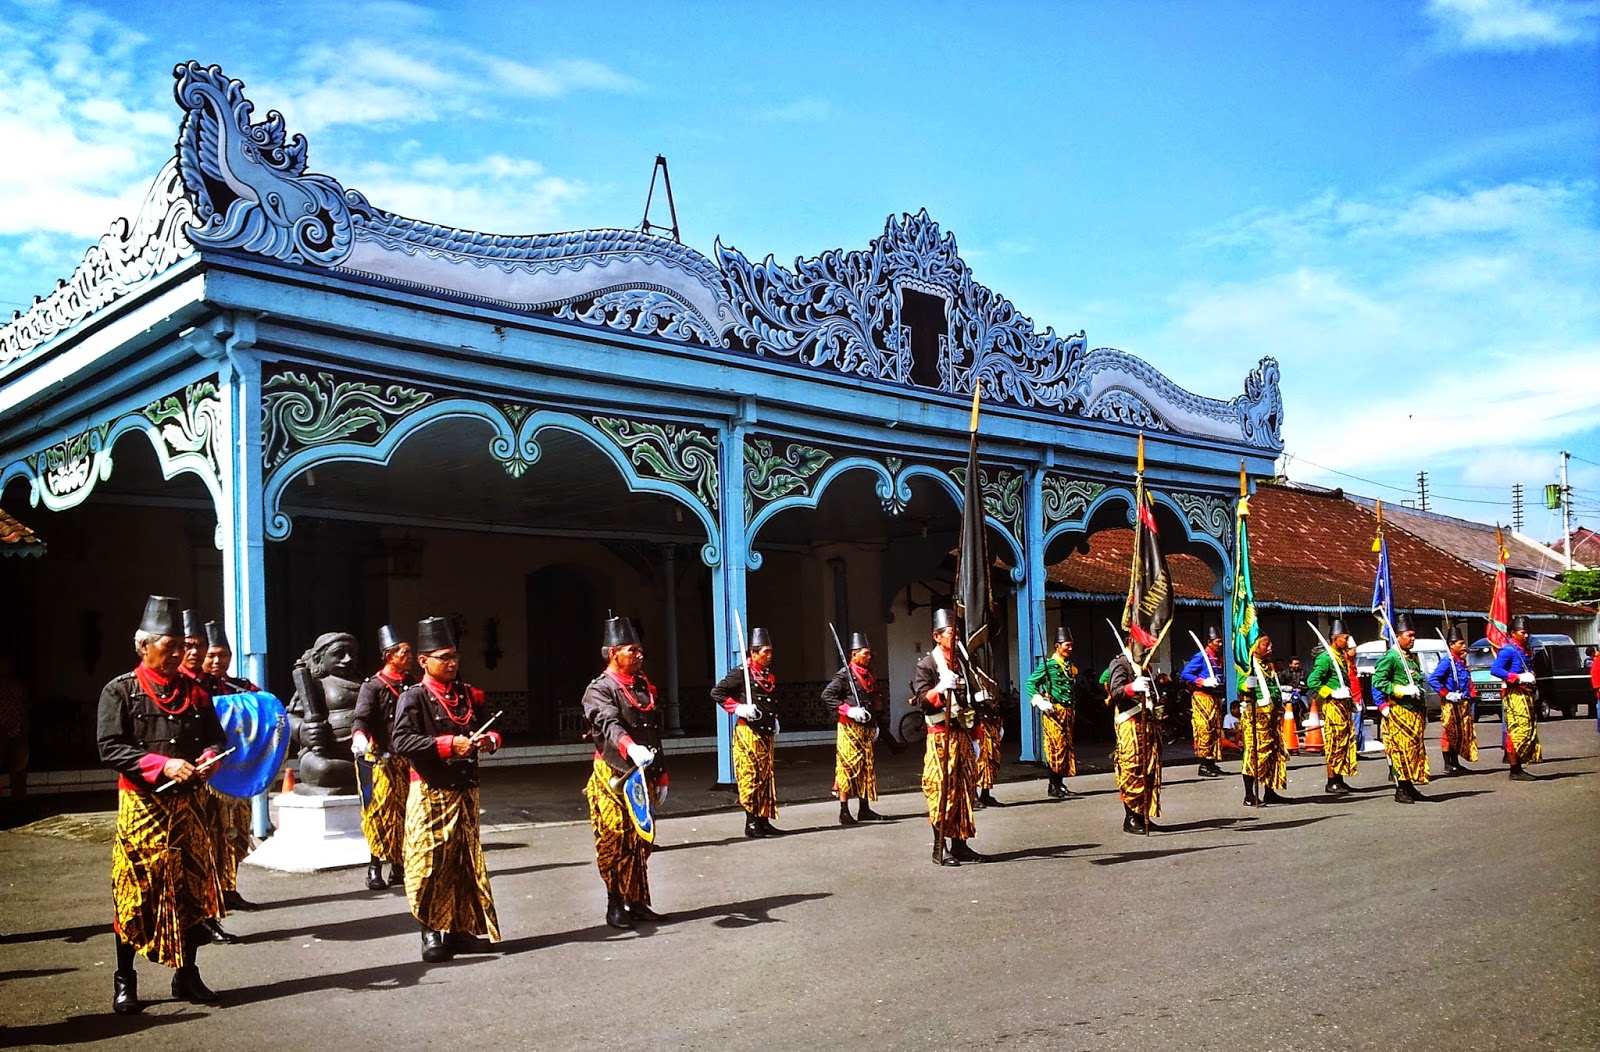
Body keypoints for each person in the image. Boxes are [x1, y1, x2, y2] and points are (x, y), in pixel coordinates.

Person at [97, 596, 229, 1013]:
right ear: (143, 647)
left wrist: (209, 758)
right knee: (134, 892)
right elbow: (110, 748)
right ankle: (125, 979)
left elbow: (216, 737)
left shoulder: (196, 692)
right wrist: (163, 764)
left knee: (191, 891)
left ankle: (187, 974)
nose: (176, 654)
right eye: (167, 647)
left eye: (180, 647)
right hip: (142, 807)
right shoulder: (119, 690)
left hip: (189, 808)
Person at [391, 616, 501, 962]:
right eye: (443, 657)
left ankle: (460, 930)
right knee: (428, 863)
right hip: (431, 792)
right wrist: (448, 745)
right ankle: (430, 931)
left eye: (454, 656)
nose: (452, 663)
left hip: (466, 792)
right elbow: (401, 740)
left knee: (464, 862)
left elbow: (497, 730)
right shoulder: (414, 698)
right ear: (424, 661)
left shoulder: (467, 694)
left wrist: (489, 741)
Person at [581, 616, 668, 929]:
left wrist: (662, 774)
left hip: (644, 773)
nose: (639, 655)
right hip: (614, 773)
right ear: (612, 653)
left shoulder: (644, 684)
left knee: (641, 840)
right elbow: (608, 722)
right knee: (615, 838)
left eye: (640, 649)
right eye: (632, 650)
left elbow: (654, 731)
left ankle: (637, 899)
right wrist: (629, 747)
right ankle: (615, 902)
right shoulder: (599, 689)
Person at [911, 609, 985, 865]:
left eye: (957, 634)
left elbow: (969, 702)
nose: (955, 639)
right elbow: (923, 701)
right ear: (937, 636)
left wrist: (975, 737)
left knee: (964, 790)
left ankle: (960, 843)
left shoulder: (962, 662)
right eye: (951, 634)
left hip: (962, 734)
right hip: (941, 737)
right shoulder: (928, 665)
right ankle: (939, 846)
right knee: (941, 791)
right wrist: (940, 689)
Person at [198, 621, 259, 915]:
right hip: (211, 779)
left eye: (222, 655)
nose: (216, 661)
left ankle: (229, 887)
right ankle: (210, 901)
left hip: (240, 774)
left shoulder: (243, 689)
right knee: (214, 840)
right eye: (211, 655)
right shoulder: (195, 692)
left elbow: (265, 712)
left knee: (239, 835)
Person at [351, 624, 415, 891]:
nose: (410, 657)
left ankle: (399, 866)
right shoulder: (373, 687)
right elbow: (361, 718)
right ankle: (374, 866)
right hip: (380, 759)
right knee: (378, 813)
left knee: (406, 812)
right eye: (405, 652)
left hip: (408, 758)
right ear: (390, 656)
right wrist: (359, 737)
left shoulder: (413, 684)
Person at [711, 627, 783, 838]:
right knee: (750, 777)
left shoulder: (767, 675)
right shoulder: (741, 673)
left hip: (766, 732)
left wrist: (774, 719)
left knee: (765, 777)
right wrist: (739, 708)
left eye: (770, 651)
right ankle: (751, 822)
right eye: (765, 652)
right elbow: (717, 692)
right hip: (748, 732)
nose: (769, 656)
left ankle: (764, 820)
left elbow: (770, 702)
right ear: (753, 653)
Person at [821, 631, 885, 825]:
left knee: (866, 767)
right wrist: (848, 710)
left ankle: (864, 808)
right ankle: (844, 810)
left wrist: (875, 724)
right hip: (849, 728)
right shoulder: (844, 675)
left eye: (869, 654)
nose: (868, 657)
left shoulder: (869, 674)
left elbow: (873, 700)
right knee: (847, 768)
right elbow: (827, 696)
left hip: (865, 728)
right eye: (864, 653)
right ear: (854, 654)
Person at [1373, 615, 1430, 802]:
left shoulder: (1411, 657)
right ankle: (1401, 789)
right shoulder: (1391, 657)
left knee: (1414, 750)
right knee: (1400, 751)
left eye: (1414, 635)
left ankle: (1409, 785)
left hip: (1415, 712)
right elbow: (1378, 681)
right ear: (1398, 636)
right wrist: (1401, 690)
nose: (1413, 638)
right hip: (1400, 711)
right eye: (1409, 635)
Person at [1106, 643, 1161, 833]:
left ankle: (1142, 815)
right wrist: (1132, 687)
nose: (1147, 651)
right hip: (1129, 722)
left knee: (1148, 770)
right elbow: (1116, 692)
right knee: (1131, 769)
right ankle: (1130, 818)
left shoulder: (1144, 666)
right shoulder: (1120, 663)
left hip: (1148, 723)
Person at [1027, 626, 1082, 798]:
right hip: (1054, 712)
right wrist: (1039, 700)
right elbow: (1030, 683)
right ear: (1057, 646)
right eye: (1067, 645)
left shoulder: (1069, 665)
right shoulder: (1049, 665)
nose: (1070, 649)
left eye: (1072, 645)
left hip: (1067, 712)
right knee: (1055, 747)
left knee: (1065, 748)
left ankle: (1060, 784)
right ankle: (1053, 785)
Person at [1306, 619, 1359, 794]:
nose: (1348, 641)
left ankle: (1340, 778)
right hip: (1333, 705)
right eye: (1345, 638)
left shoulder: (1340, 657)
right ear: (1335, 639)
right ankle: (1331, 781)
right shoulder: (1326, 658)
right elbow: (1313, 680)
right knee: (1334, 742)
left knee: (1344, 742)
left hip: (1344, 705)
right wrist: (1331, 692)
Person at [1237, 635, 1290, 807]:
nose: (1270, 647)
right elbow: (1240, 686)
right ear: (1255, 647)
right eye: (1266, 644)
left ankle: (1270, 791)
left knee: (1273, 753)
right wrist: (1247, 685)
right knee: (1254, 753)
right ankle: (1249, 795)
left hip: (1272, 716)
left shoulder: (1269, 665)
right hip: (1256, 717)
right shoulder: (1248, 666)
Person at [1490, 614, 1543, 780]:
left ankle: (1519, 766)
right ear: (1513, 633)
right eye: (1522, 632)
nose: (1526, 635)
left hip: (1527, 693)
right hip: (1515, 694)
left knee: (1528, 730)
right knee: (1518, 730)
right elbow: (1495, 670)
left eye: (1528, 632)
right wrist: (1517, 677)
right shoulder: (1508, 650)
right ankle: (1515, 769)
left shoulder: (1526, 650)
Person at [1428, 626, 1477, 775]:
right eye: (1460, 643)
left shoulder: (1459, 661)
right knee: (1449, 732)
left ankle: (1456, 762)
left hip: (1462, 702)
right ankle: (1448, 764)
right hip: (1451, 703)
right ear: (1451, 645)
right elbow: (1433, 679)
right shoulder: (1447, 661)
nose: (1464, 646)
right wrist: (1447, 694)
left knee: (1459, 733)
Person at [1178, 627, 1227, 778]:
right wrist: (1202, 681)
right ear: (1209, 642)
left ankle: (1211, 763)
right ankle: (1203, 765)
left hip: (1215, 698)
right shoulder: (1201, 656)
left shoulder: (1218, 657)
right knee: (1204, 729)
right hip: (1202, 698)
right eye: (1218, 642)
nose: (1220, 644)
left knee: (1215, 731)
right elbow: (1185, 674)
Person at [0, 653, 30, 805]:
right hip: (1, 733)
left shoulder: (16, 685)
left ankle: (19, 802)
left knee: (18, 769)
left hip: (17, 732)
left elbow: (24, 707)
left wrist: (24, 730)